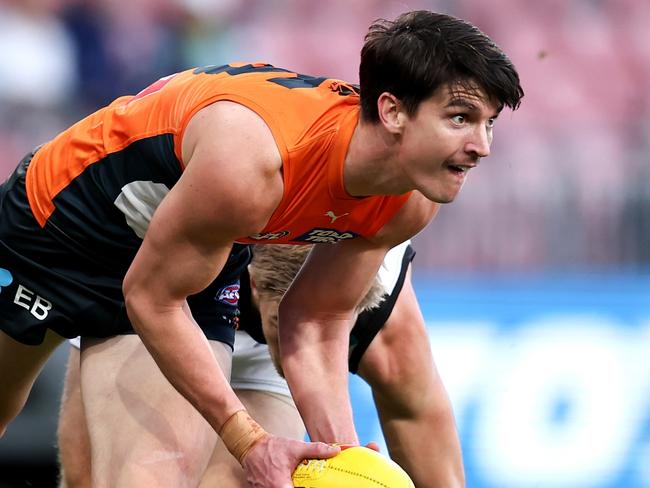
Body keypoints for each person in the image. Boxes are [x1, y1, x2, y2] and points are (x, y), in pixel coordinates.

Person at [0, 10, 523, 487]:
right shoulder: (253, 160)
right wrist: (250, 442)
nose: (482, 146)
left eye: (489, 123)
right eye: (460, 118)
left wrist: (338, 454)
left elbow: (317, 318)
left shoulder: (412, 196)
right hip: (54, 229)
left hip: (186, 260)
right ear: (391, 111)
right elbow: (149, 297)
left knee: (151, 479)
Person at [57, 242, 464, 488]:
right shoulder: (201, 227)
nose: (298, 355)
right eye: (284, 329)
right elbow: (149, 300)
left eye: (319, 333)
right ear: (254, 285)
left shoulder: (386, 318)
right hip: (171, 297)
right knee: (96, 478)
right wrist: (245, 439)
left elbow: (426, 435)